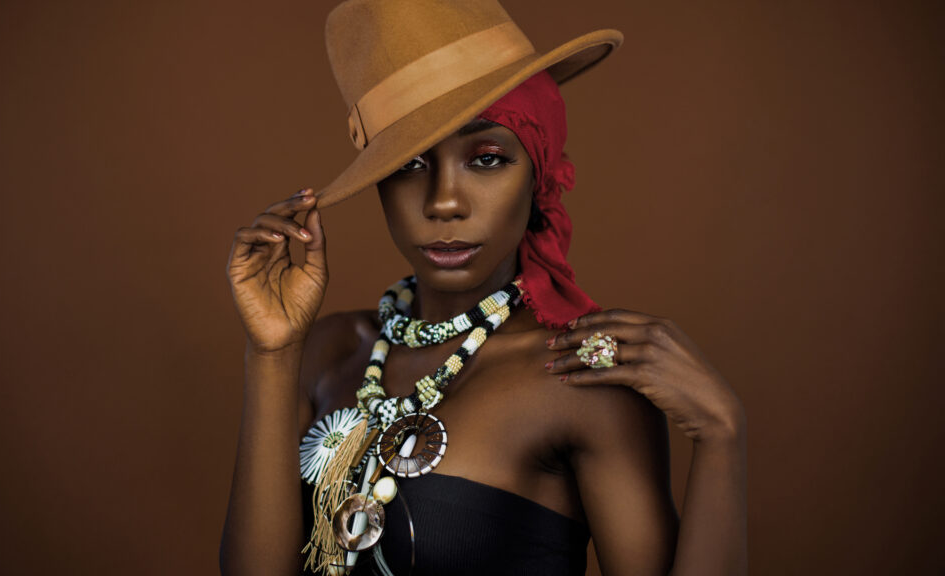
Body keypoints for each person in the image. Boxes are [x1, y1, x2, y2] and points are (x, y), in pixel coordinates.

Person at [220, 1, 747, 575]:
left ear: (538, 170)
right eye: (410, 164)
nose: (445, 201)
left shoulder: (580, 378)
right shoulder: (328, 349)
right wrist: (271, 354)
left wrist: (721, 436)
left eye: (488, 158)